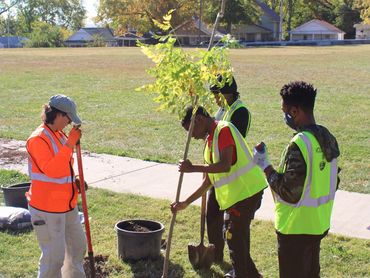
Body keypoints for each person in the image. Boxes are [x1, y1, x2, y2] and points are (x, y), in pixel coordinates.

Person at [253, 81, 340, 278]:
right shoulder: (328, 139)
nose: (285, 116)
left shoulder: (299, 144)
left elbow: (289, 192)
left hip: (295, 230)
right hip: (317, 225)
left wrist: (265, 165)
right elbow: (333, 180)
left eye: (285, 111)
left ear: (295, 110)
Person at [171, 106, 267, 278]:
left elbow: (225, 165)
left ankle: (242, 274)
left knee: (233, 237)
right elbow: (209, 181)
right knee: (238, 240)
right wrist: (185, 202)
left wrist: (192, 168)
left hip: (247, 193)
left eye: (190, 130)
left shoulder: (223, 130)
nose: (191, 136)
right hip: (237, 197)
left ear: (199, 119)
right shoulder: (209, 143)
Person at [26, 94, 87, 278]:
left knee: (77, 246)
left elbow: (65, 165)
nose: (69, 123)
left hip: (66, 205)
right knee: (54, 257)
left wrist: (75, 178)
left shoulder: (58, 135)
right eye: (68, 118)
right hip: (46, 208)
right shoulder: (38, 139)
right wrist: (70, 143)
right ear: (58, 115)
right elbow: (52, 170)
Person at [208, 74, 252, 264]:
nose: (215, 99)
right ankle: (215, 254)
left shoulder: (240, 111)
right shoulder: (222, 109)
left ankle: (241, 264)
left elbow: (231, 142)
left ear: (226, 93)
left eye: (217, 94)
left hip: (233, 175)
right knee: (212, 214)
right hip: (217, 173)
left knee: (236, 227)